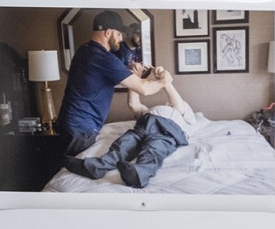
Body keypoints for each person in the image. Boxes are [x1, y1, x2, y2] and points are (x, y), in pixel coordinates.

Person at [62, 67, 203, 188]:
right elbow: (133, 104)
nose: (167, 102)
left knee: (154, 149)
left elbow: (176, 101)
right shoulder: (150, 110)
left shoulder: (181, 112)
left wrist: (165, 81)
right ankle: (95, 167)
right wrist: (136, 79)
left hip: (166, 131)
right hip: (142, 127)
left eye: (169, 103)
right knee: (122, 145)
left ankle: (139, 174)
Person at [54, 10, 168, 158]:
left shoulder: (85, 50)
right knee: (80, 170)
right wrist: (164, 81)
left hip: (71, 123)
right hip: (81, 128)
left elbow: (96, 76)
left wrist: (127, 70)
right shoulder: (103, 58)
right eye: (119, 34)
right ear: (108, 32)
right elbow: (144, 89)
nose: (121, 39)